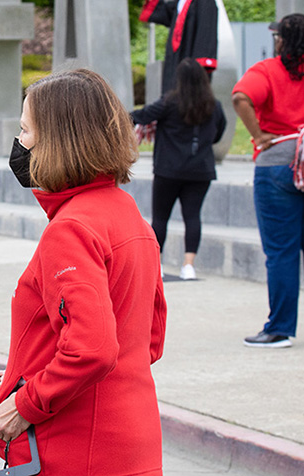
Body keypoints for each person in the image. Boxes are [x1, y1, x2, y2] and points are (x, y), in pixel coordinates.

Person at [0, 69, 167, 475]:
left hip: (80, 447)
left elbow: (92, 347)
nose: (20, 143)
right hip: (132, 437)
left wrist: (28, 401)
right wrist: (25, 370)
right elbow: (147, 339)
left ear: (56, 141)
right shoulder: (126, 213)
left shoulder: (71, 228)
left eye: (25, 130)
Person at [233, 14, 304, 349]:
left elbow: (240, 98)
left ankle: (280, 329)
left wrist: (258, 134)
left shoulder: (268, 70)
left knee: (281, 253)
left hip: (277, 161)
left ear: (282, 39)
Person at [131, 57, 226, 280]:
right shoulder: (214, 105)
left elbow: (139, 116)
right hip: (201, 169)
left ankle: (158, 264)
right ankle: (189, 266)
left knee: (161, 217)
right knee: (193, 216)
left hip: (168, 169)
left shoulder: (169, 102)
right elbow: (218, 134)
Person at [139, 0, 218, 94]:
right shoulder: (181, 3)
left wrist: (197, 68)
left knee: (186, 97)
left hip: (190, 70)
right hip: (175, 64)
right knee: (171, 95)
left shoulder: (205, 3)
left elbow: (206, 34)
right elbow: (161, 12)